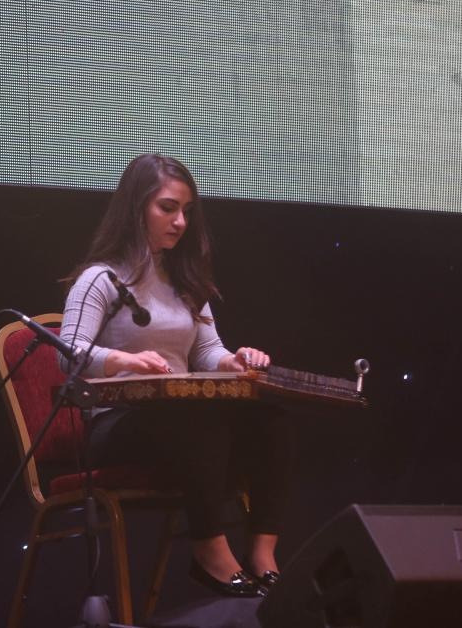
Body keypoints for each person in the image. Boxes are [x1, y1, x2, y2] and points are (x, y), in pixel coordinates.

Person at [59, 154, 290, 597]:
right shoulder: (100, 279)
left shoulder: (186, 282)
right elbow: (68, 354)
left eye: (186, 211)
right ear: (136, 207)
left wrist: (234, 361)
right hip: (115, 425)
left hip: (180, 423)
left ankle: (263, 555)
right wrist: (123, 360)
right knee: (197, 420)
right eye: (168, 208)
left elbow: (206, 351)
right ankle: (210, 552)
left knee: (270, 419)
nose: (181, 222)